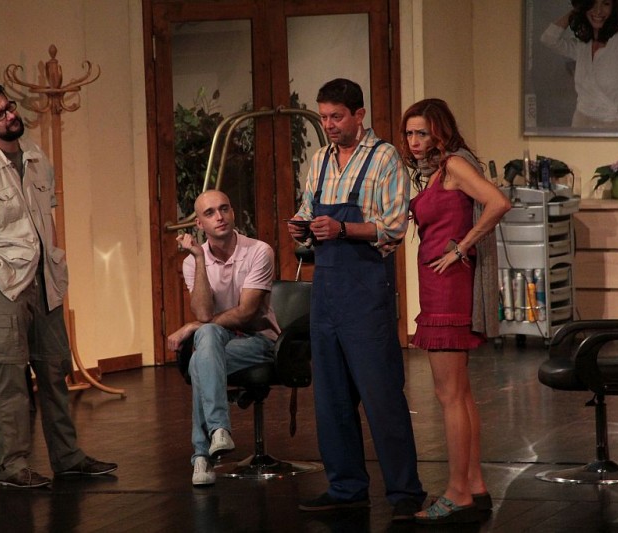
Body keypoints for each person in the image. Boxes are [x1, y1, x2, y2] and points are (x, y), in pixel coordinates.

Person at [0, 80, 117, 488]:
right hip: (4, 282)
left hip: (43, 279)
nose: (11, 116)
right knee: (9, 376)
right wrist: (1, 279)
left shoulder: (35, 155)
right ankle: (13, 466)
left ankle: (67, 457)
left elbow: (45, 215)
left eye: (10, 107)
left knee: (54, 368)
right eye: (0, 114)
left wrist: (52, 260)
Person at [287, 78, 425, 522]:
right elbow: (308, 210)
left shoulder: (384, 158)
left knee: (381, 393)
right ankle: (346, 487)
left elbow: (394, 227)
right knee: (331, 397)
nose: (328, 125)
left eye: (337, 116)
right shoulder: (320, 160)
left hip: (365, 290)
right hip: (326, 290)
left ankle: (404, 491)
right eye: (324, 117)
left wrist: (343, 229)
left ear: (359, 114)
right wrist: (301, 226)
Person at [397, 98, 511, 524]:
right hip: (438, 286)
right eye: (409, 133)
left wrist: (462, 247)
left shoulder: (454, 166)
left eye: (422, 133)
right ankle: (474, 485)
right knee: (459, 394)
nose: (414, 141)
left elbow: (498, 202)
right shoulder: (436, 172)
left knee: (448, 396)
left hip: (447, 288)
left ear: (440, 132)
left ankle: (457, 492)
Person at [166, 189, 279, 487]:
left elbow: (246, 313)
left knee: (199, 361)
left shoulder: (259, 251)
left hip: (260, 341)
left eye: (224, 209)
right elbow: (205, 313)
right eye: (210, 213)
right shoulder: (192, 262)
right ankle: (218, 433)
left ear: (232, 212)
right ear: (199, 224)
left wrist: (192, 326)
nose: (220, 216)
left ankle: (202, 456)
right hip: (218, 339)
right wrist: (199, 259)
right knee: (208, 334)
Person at [541, 0, 618, 129]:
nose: (598, 11)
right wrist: (577, 10)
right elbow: (548, 39)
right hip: (580, 123)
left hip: (612, 126)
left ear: (614, 8)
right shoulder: (584, 43)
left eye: (605, 4)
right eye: (592, 3)